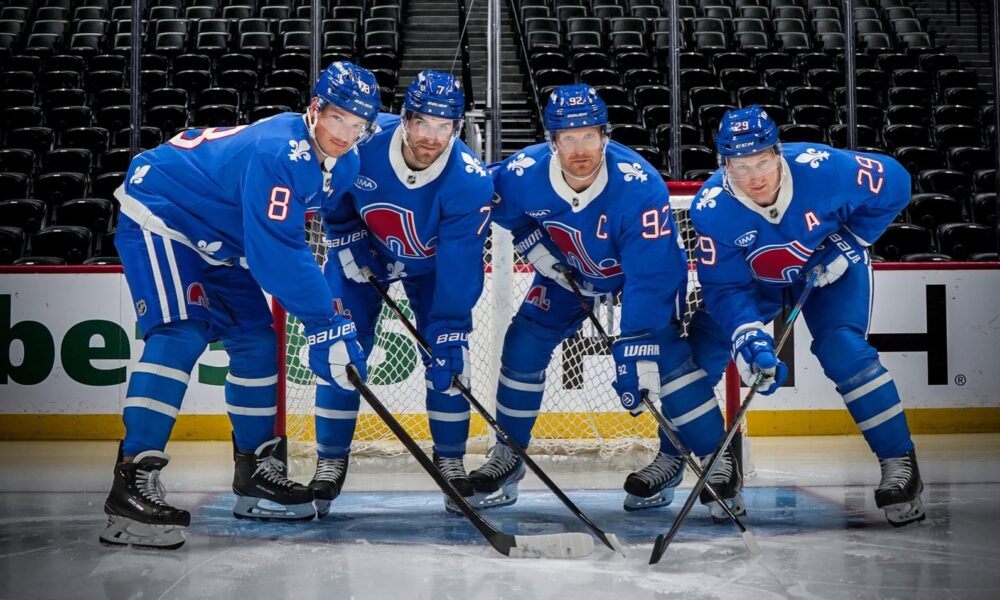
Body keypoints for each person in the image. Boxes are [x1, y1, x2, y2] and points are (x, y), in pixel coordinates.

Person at [99, 62, 381, 549]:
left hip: (224, 240)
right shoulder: (280, 150)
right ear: (315, 110)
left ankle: (255, 473)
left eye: (360, 125)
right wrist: (327, 321)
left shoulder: (346, 162)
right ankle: (131, 480)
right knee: (181, 331)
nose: (347, 134)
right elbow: (278, 251)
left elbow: (306, 222)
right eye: (339, 119)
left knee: (255, 340)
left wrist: (349, 249)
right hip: (166, 214)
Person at [475, 84, 743, 519]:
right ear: (552, 141)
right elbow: (491, 200)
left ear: (605, 135)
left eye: (588, 135)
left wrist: (636, 342)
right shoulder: (523, 172)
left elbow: (651, 278)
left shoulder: (639, 186)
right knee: (524, 342)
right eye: (568, 137)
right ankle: (509, 456)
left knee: (667, 359)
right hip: (570, 270)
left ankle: (710, 461)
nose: (579, 148)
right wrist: (531, 241)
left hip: (641, 276)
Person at [690, 105, 925, 526]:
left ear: (778, 152)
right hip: (758, 283)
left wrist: (852, 241)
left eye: (761, 161)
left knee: (843, 349)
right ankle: (704, 458)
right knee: (702, 343)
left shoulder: (826, 168)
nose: (754, 176)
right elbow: (725, 288)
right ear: (724, 164)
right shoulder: (711, 207)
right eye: (740, 167)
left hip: (829, 269)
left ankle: (899, 463)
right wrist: (747, 338)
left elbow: (897, 182)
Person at [309, 70, 495, 515]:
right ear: (406, 119)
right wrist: (344, 236)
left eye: (444, 126)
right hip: (364, 255)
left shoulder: (469, 179)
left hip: (431, 271)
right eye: (423, 123)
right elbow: (333, 199)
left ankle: (450, 461)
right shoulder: (362, 144)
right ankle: (329, 462)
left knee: (449, 361)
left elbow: (460, 263)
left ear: (458, 127)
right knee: (342, 354)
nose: (432, 137)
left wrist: (450, 327)